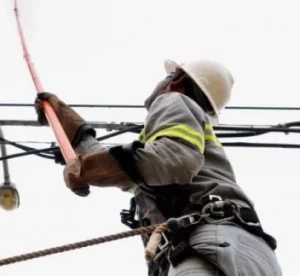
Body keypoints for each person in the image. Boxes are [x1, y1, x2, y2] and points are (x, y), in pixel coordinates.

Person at [34, 59, 282, 276]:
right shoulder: (164, 161)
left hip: (209, 243)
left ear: (177, 80)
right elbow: (127, 167)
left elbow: (174, 160)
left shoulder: (174, 100)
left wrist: (85, 170)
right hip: (244, 251)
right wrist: (66, 123)